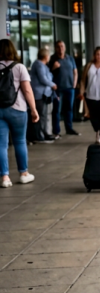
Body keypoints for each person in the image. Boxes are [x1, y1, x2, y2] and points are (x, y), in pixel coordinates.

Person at [0, 39, 40, 187]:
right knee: (20, 141)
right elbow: (27, 90)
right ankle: (23, 174)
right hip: (18, 110)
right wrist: (34, 109)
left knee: (1, 145)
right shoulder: (19, 67)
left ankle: (4, 177)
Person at [48, 40, 79, 136]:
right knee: (57, 110)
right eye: (58, 46)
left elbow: (75, 71)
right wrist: (53, 68)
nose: (60, 48)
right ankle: (56, 131)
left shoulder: (70, 58)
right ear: (55, 48)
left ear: (64, 47)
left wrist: (74, 84)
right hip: (58, 89)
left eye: (62, 46)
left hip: (70, 88)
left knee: (69, 109)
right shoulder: (52, 59)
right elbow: (47, 74)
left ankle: (69, 129)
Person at [30, 47, 57, 143]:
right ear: (46, 56)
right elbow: (43, 78)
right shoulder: (39, 65)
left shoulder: (43, 65)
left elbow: (48, 76)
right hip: (39, 94)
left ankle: (43, 134)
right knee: (39, 115)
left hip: (44, 94)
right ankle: (38, 136)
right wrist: (52, 85)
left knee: (44, 115)